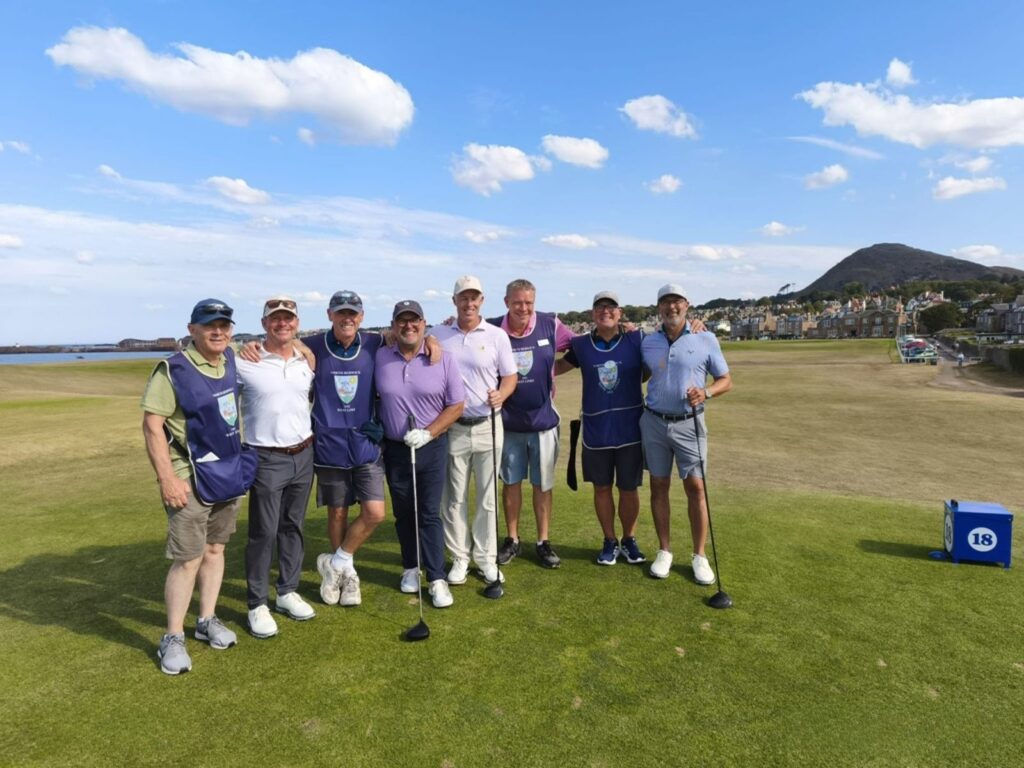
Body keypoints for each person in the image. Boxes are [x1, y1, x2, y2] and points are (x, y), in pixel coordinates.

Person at [141, 299, 257, 675]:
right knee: (187, 557)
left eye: (224, 324)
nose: (218, 331)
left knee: (215, 548)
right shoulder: (172, 370)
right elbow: (151, 425)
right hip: (188, 477)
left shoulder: (231, 358)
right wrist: (167, 478)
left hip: (226, 472)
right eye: (210, 325)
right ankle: (172, 636)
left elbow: (283, 344)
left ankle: (206, 619)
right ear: (192, 329)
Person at [235, 296, 317, 639]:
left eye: (288, 319)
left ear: (296, 323)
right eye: (275, 319)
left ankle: (286, 591)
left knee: (293, 526)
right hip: (266, 457)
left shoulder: (305, 360)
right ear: (265, 322)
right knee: (263, 532)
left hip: (304, 452)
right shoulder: (245, 361)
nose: (282, 324)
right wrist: (241, 346)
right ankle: (257, 603)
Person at [640, 284, 732, 584]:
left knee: (696, 488)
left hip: (689, 423)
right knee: (658, 485)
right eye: (666, 303)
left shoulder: (705, 338)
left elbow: (725, 380)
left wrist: (705, 392)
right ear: (659, 309)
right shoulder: (648, 341)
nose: (672, 308)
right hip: (653, 422)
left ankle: (699, 555)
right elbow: (642, 372)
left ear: (687, 305)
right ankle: (664, 551)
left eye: (677, 302)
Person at [375, 300, 465, 608]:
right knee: (404, 514)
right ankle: (410, 567)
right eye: (402, 321)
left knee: (428, 513)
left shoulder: (443, 358)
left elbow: (456, 405)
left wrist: (429, 431)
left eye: (414, 321)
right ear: (393, 325)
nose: (408, 326)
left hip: (431, 445)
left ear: (424, 324)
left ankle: (437, 577)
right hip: (396, 449)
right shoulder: (381, 355)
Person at [431, 276, 518, 586]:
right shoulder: (438, 334)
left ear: (482, 301)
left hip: (488, 426)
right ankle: (460, 557)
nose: (469, 303)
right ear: (454, 301)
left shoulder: (497, 336)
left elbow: (510, 377)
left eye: (474, 298)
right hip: (453, 427)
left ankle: (485, 558)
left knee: (487, 497)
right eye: (463, 298)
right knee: (452, 497)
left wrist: (503, 394)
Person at [304, 291, 388, 610]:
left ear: (362, 316)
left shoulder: (373, 343)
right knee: (337, 511)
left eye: (353, 312)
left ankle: (338, 562)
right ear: (329, 314)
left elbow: (406, 337)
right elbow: (286, 347)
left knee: (374, 512)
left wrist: (434, 341)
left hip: (365, 443)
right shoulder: (313, 345)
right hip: (329, 444)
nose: (347, 317)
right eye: (341, 312)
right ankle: (344, 575)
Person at [487, 279, 574, 568]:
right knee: (510, 484)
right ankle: (512, 540)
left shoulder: (551, 324)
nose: (523, 308)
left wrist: (552, 371)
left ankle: (543, 541)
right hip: (508, 423)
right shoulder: (492, 327)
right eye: (517, 302)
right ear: (506, 302)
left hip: (544, 423)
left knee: (542, 485)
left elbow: (579, 348)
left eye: (528, 302)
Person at [556, 291, 648, 566]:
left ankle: (629, 539)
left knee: (629, 488)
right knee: (602, 488)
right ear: (592, 314)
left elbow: (657, 358)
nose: (605, 311)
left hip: (630, 427)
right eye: (599, 308)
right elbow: (560, 364)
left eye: (610, 307)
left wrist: (698, 328)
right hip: (596, 429)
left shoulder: (637, 339)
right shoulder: (582, 345)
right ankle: (609, 540)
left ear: (619, 312)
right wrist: (526, 372)